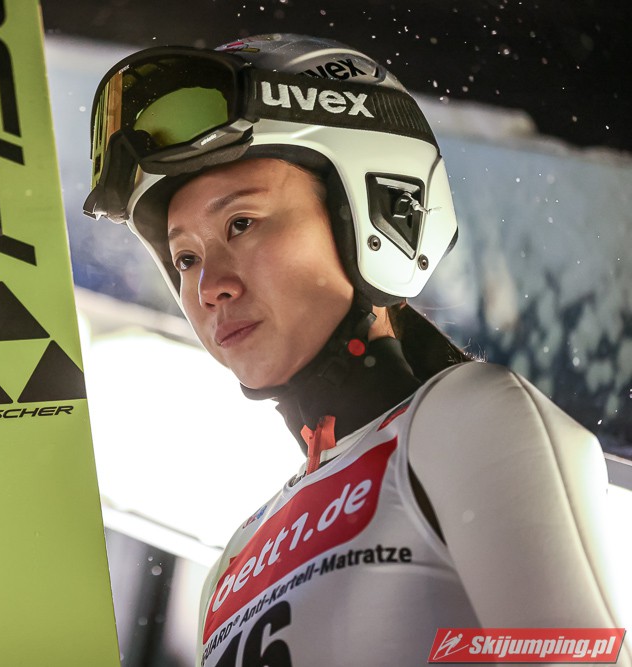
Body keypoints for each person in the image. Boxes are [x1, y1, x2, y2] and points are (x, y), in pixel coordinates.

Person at [83, 35, 628, 666]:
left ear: (378, 210)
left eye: (241, 223)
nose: (209, 287)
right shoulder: (231, 566)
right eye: (185, 258)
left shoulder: (467, 418)